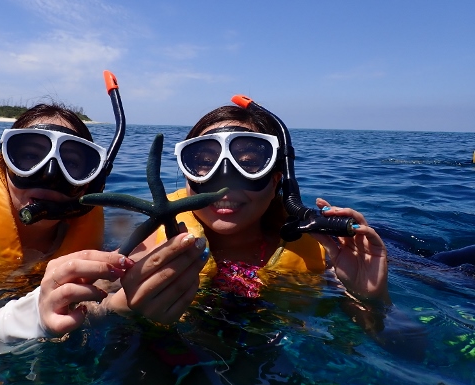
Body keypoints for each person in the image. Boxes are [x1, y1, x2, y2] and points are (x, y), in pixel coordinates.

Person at [0, 72, 207, 343]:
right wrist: (31, 317)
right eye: (28, 156)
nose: (50, 173)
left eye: (72, 162)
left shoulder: (105, 246)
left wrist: (115, 306)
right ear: (3, 167)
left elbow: (120, 291)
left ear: (91, 182)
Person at [112, 99, 390, 324]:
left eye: (248, 163)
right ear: (187, 176)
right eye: (204, 162)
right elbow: (93, 313)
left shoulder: (330, 259)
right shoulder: (144, 249)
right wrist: (114, 308)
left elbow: (398, 346)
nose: (225, 182)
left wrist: (371, 298)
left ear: (276, 180)